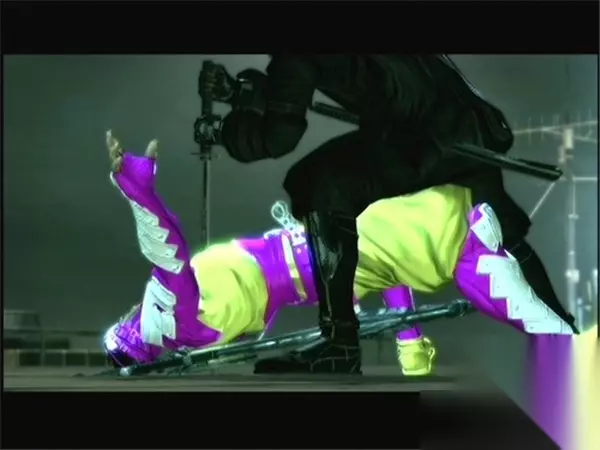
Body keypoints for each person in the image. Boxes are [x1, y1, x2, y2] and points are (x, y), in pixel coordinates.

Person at [198, 54, 578, 373]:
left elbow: (278, 136)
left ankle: (339, 344)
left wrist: (222, 132)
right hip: (463, 122)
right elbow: (297, 87)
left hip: (423, 136)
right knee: (506, 228)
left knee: (319, 184)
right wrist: (238, 93)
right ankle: (568, 332)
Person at [102, 131, 574, 377]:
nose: (132, 313)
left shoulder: (192, 313)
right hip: (427, 234)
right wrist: (138, 189)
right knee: (546, 329)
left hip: (408, 234)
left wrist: (410, 346)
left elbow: (384, 271)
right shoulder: (186, 319)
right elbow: (169, 255)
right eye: (131, 323)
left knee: (546, 328)